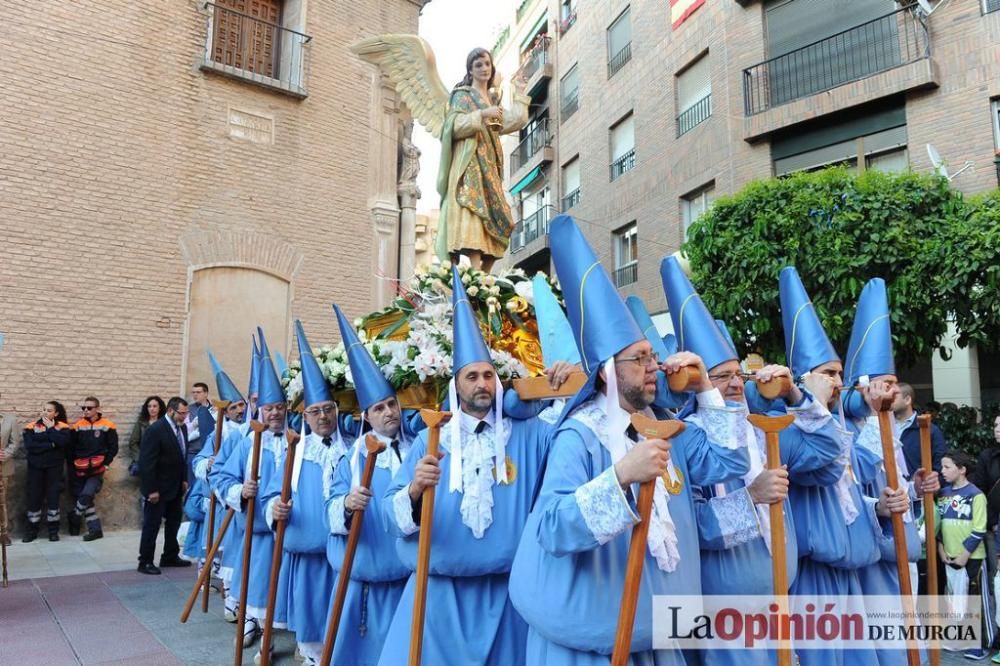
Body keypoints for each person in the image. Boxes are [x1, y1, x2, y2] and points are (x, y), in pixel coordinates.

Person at [508, 216, 750, 665]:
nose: (654, 366)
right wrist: (621, 476)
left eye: (653, 357)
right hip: (599, 645)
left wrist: (706, 391)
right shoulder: (579, 437)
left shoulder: (668, 427)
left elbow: (730, 462)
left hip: (662, 638)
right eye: (639, 359)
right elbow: (552, 528)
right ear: (607, 371)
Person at [378, 266, 575, 666]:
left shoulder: (530, 435)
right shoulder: (430, 439)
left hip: (508, 597)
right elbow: (391, 515)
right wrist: (414, 490)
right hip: (437, 599)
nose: (482, 383)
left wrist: (565, 385)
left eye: (488, 375)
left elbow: (575, 428)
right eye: (472, 376)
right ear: (456, 386)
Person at [658, 258, 843, 666]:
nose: (736, 383)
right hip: (722, 616)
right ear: (696, 384)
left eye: (737, 373)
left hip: (780, 603)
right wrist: (750, 498)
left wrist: (796, 395)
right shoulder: (682, 438)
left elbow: (830, 450)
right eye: (721, 377)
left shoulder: (762, 428)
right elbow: (687, 529)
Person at [324, 305, 416, 666]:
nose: (389, 413)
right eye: (378, 408)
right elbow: (329, 509)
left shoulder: (416, 450)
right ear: (366, 417)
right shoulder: (351, 458)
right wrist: (347, 503)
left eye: (391, 404)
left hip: (407, 581)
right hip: (364, 580)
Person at [265, 320, 348, 665]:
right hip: (309, 553)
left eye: (328, 409)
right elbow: (272, 493)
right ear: (305, 415)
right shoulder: (293, 451)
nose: (323, 417)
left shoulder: (354, 448)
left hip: (343, 551)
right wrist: (274, 509)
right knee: (313, 617)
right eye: (315, 411)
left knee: (341, 618)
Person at [216, 329, 291, 661]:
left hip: (290, 529)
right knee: (257, 582)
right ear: (257, 408)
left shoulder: (298, 440)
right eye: (267, 407)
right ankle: (256, 628)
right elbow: (220, 474)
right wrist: (239, 490)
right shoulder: (248, 441)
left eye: (279, 406)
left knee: (285, 587)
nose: (274, 412)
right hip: (258, 529)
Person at [436, 48, 530, 271]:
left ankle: (485, 276)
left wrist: (520, 92)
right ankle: (475, 272)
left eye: (487, 64)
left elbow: (512, 122)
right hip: (469, 164)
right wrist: (482, 115)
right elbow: (453, 126)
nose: (484, 68)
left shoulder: (492, 99)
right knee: (474, 211)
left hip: (490, 167)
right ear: (470, 70)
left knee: (501, 218)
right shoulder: (463, 96)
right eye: (478, 65)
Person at [185, 353, 248, 572]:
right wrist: (209, 463)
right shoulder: (218, 434)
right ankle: (212, 575)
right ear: (225, 412)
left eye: (241, 405)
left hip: (244, 495)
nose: (240, 411)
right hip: (222, 497)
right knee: (217, 540)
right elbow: (199, 462)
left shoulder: (252, 432)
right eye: (234, 408)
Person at [937, 450, 993, 660]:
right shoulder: (943, 494)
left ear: (962, 470)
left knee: (974, 600)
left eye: (947, 467)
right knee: (954, 598)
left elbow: (979, 528)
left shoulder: (976, 495)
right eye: (942, 466)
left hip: (972, 558)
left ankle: (980, 644)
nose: (942, 471)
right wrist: (942, 550)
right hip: (949, 557)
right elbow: (939, 525)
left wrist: (965, 554)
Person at [137, 396, 192, 574]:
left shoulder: (181, 428)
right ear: (170, 410)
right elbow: (147, 462)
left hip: (175, 487)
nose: (184, 417)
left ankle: (169, 555)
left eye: (186, 413)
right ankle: (145, 561)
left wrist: (184, 479)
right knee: (152, 525)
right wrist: (151, 489)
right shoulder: (156, 430)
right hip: (158, 489)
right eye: (181, 413)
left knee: (173, 523)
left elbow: (182, 456)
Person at [69, 397, 118, 541]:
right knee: (87, 500)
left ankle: (75, 515)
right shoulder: (77, 426)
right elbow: (71, 449)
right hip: (80, 468)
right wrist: (73, 465)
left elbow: (113, 447)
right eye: (83, 408)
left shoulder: (108, 425)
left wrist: (106, 464)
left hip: (97, 468)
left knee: (86, 494)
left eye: (89, 408)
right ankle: (95, 530)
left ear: (97, 408)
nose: (86, 410)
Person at [21, 401, 72, 542]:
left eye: (49, 410)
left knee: (53, 498)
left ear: (56, 413)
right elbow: (30, 446)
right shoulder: (31, 426)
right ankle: (31, 531)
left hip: (54, 469)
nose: (45, 412)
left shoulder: (63, 427)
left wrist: (51, 430)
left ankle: (53, 531)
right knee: (34, 499)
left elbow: (63, 443)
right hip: (35, 468)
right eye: (43, 409)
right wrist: (51, 444)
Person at [894, 382, 947, 477]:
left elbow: (940, 465)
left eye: (894, 397)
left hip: (920, 489)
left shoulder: (929, 430)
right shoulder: (881, 429)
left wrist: (928, 484)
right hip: (888, 489)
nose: (888, 400)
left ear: (907, 400)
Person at [185, 381, 216, 486]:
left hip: (209, 454)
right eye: (193, 392)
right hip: (192, 452)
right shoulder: (188, 410)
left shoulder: (215, 409)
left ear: (206, 393)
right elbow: (185, 429)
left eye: (198, 392)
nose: (195, 395)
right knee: (191, 485)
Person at [127, 396, 166, 476]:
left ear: (160, 408)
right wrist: (140, 458)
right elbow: (133, 443)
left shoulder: (165, 424)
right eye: (149, 406)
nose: (152, 409)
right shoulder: (141, 423)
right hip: (144, 458)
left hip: (160, 459)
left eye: (155, 406)